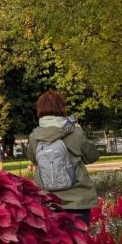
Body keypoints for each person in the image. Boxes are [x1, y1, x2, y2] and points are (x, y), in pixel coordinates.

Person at [28, 90, 101, 225]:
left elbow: (33, 159)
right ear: (61, 108)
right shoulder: (75, 132)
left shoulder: (34, 137)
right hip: (77, 201)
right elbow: (92, 156)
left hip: (48, 201)